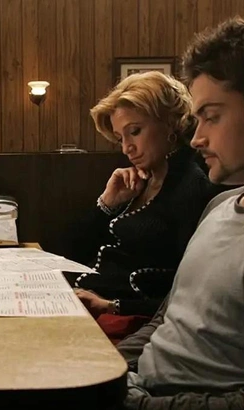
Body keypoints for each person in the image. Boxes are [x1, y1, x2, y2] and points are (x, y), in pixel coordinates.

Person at [81, 18, 244, 409]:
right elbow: (165, 322)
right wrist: (103, 373)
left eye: (212, 116)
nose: (197, 137)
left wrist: (127, 400)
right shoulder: (220, 205)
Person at [64, 71, 220, 343]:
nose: (127, 148)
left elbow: (191, 293)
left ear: (170, 124)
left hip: (130, 323)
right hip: (83, 301)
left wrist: (112, 306)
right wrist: (107, 203)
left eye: (135, 132)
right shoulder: (136, 181)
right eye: (120, 138)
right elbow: (70, 252)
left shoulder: (192, 187)